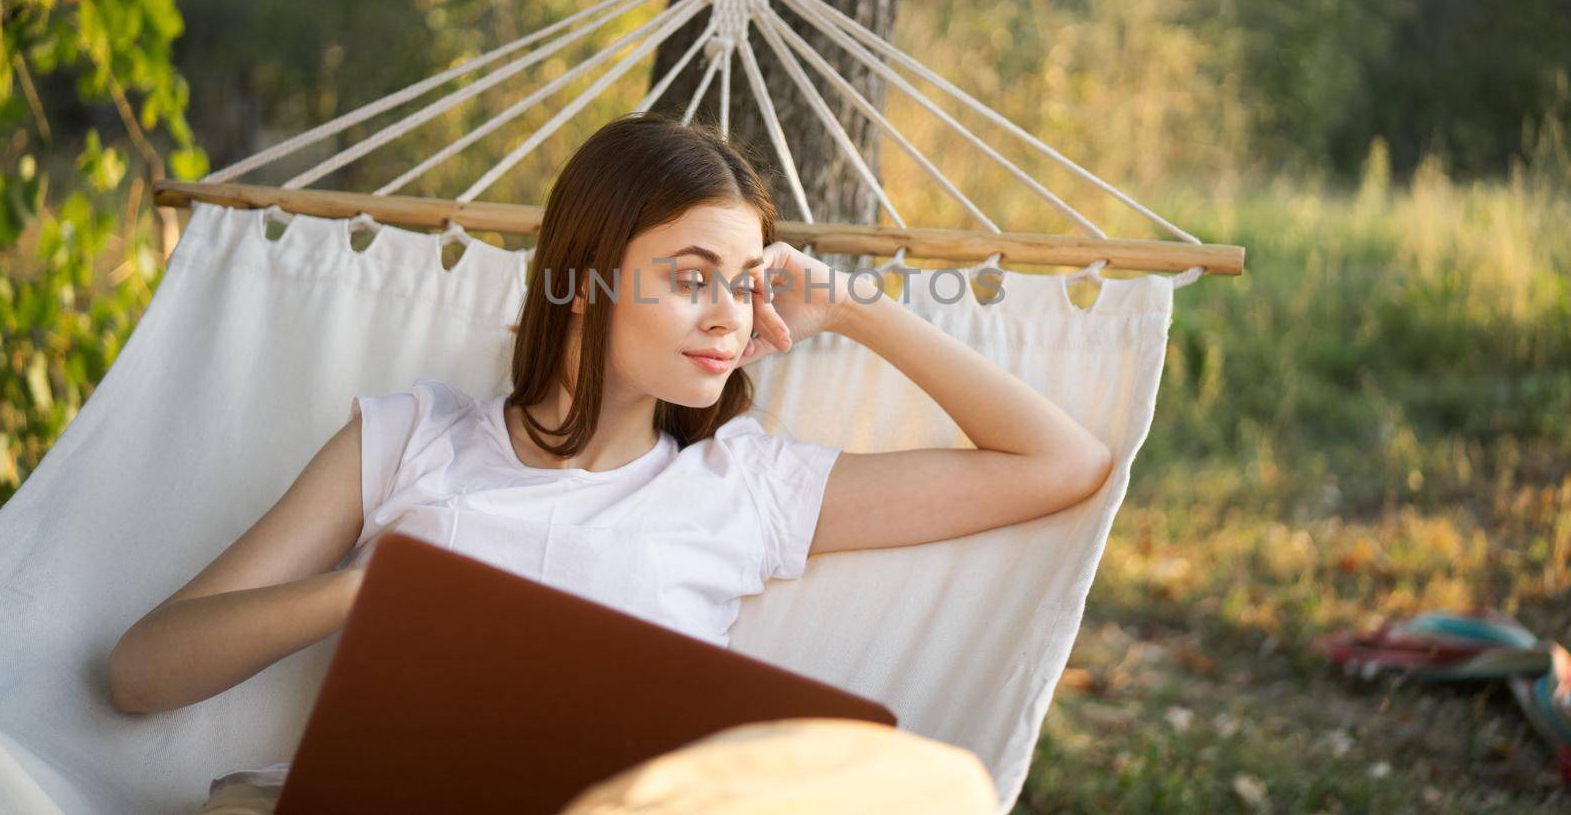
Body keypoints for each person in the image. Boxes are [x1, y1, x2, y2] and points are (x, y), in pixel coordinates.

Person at [105, 112, 1114, 812]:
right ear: (583, 283)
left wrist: (852, 307)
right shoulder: (411, 438)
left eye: (745, 282)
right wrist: (369, 596)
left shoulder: (745, 485)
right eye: (690, 279)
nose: (729, 314)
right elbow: (143, 672)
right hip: (356, 802)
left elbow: (1058, 461)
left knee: (937, 787)